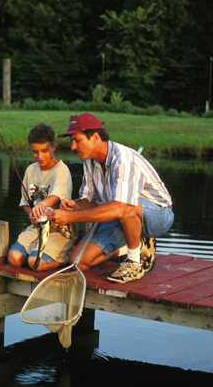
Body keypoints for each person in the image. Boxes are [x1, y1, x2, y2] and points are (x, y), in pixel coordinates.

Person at [48, 113, 174, 283]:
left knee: (128, 206)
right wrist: (74, 206)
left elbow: (121, 208)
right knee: (79, 261)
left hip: (158, 215)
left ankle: (134, 263)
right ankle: (137, 246)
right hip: (121, 216)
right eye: (71, 141)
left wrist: (70, 217)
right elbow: (90, 201)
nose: (72, 147)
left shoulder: (123, 160)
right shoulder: (89, 161)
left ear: (95, 137)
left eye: (77, 140)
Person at [8, 123, 76, 271]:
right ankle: (36, 250)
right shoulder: (31, 170)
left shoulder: (61, 170)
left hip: (59, 231)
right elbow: (26, 203)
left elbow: (56, 197)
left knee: (35, 263)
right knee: (14, 258)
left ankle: (65, 254)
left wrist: (41, 205)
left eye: (45, 151)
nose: (40, 156)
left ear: (54, 146)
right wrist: (32, 213)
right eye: (35, 152)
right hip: (37, 227)